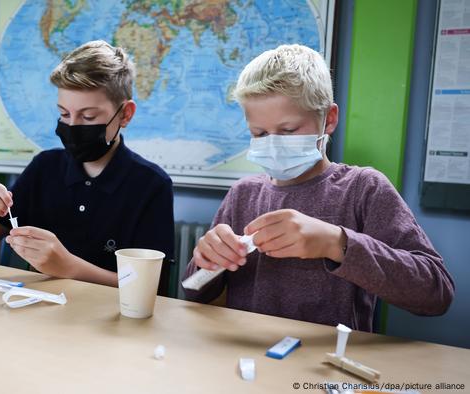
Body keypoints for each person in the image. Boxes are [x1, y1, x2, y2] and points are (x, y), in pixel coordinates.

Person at [183, 44, 454, 331]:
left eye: (288, 131)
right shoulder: (243, 195)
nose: (273, 143)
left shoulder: (363, 190)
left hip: (329, 364)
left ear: (330, 119)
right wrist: (207, 261)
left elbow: (436, 293)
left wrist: (337, 243)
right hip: (250, 359)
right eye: (259, 133)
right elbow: (194, 292)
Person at [0, 40, 174, 291]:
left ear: (125, 115)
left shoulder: (150, 184)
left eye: (88, 116)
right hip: (39, 311)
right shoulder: (44, 168)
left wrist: (68, 267)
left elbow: (151, 286)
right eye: (64, 114)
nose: (72, 126)